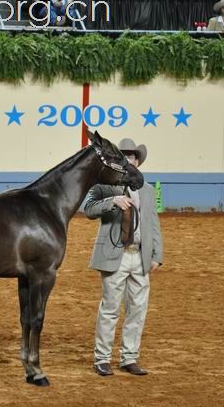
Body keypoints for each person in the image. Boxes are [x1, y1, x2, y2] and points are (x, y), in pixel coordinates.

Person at [85, 138, 163, 377]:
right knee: (109, 308)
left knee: (137, 309)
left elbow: (153, 223)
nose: (128, 160)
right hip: (115, 256)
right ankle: (102, 359)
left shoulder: (147, 190)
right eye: (123, 157)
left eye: (131, 157)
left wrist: (157, 254)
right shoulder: (104, 186)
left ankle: (129, 358)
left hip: (139, 256)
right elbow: (88, 209)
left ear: (137, 162)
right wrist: (112, 201)